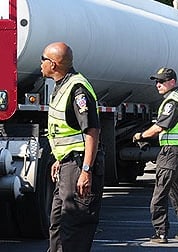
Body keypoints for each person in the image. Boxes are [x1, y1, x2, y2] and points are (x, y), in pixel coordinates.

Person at [41, 42, 104, 252]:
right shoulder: (62, 86)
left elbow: (91, 130)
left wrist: (86, 170)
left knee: (74, 226)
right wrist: (59, 159)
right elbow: (68, 129)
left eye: (43, 60)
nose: (40, 64)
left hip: (78, 165)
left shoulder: (77, 89)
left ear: (53, 64)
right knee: (58, 223)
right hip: (67, 164)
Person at [133, 67, 178, 243]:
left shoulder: (172, 102)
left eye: (161, 81)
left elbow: (160, 127)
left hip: (171, 152)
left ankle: (161, 233)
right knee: (177, 192)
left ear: (172, 82)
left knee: (159, 194)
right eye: (156, 81)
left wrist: (140, 136)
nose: (158, 84)